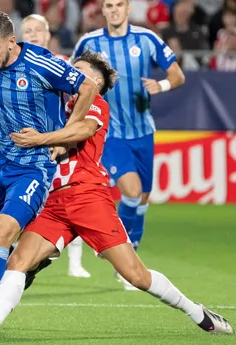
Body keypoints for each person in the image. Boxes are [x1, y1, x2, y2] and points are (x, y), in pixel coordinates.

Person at [0, 50, 234, 337]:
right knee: (19, 260)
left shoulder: (95, 103)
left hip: (88, 197)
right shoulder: (52, 104)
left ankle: (196, 312)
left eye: (79, 70)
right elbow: (24, 144)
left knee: (136, 275)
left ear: (95, 81)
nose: (70, 73)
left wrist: (42, 138)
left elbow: (83, 130)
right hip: (52, 201)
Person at [0, 11, 98, 320]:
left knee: (3, 232)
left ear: (12, 41)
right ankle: (25, 259)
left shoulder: (41, 63)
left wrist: (62, 135)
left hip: (33, 167)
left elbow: (88, 87)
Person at [71, 0, 186, 289]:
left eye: (118, 5)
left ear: (128, 8)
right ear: (103, 10)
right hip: (108, 133)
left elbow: (178, 74)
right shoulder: (89, 41)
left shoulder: (147, 39)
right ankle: (123, 260)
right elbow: (70, 76)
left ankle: (132, 252)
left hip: (143, 131)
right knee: (131, 191)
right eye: (108, 5)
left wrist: (162, 86)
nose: (113, 10)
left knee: (142, 198)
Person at [21, 13, 91, 279]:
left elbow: (83, 100)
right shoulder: (15, 66)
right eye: (28, 31)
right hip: (29, 145)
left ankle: (74, 261)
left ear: (48, 35)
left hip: (56, 146)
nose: (33, 35)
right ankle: (32, 257)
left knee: (68, 201)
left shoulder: (61, 64)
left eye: (38, 30)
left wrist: (66, 136)